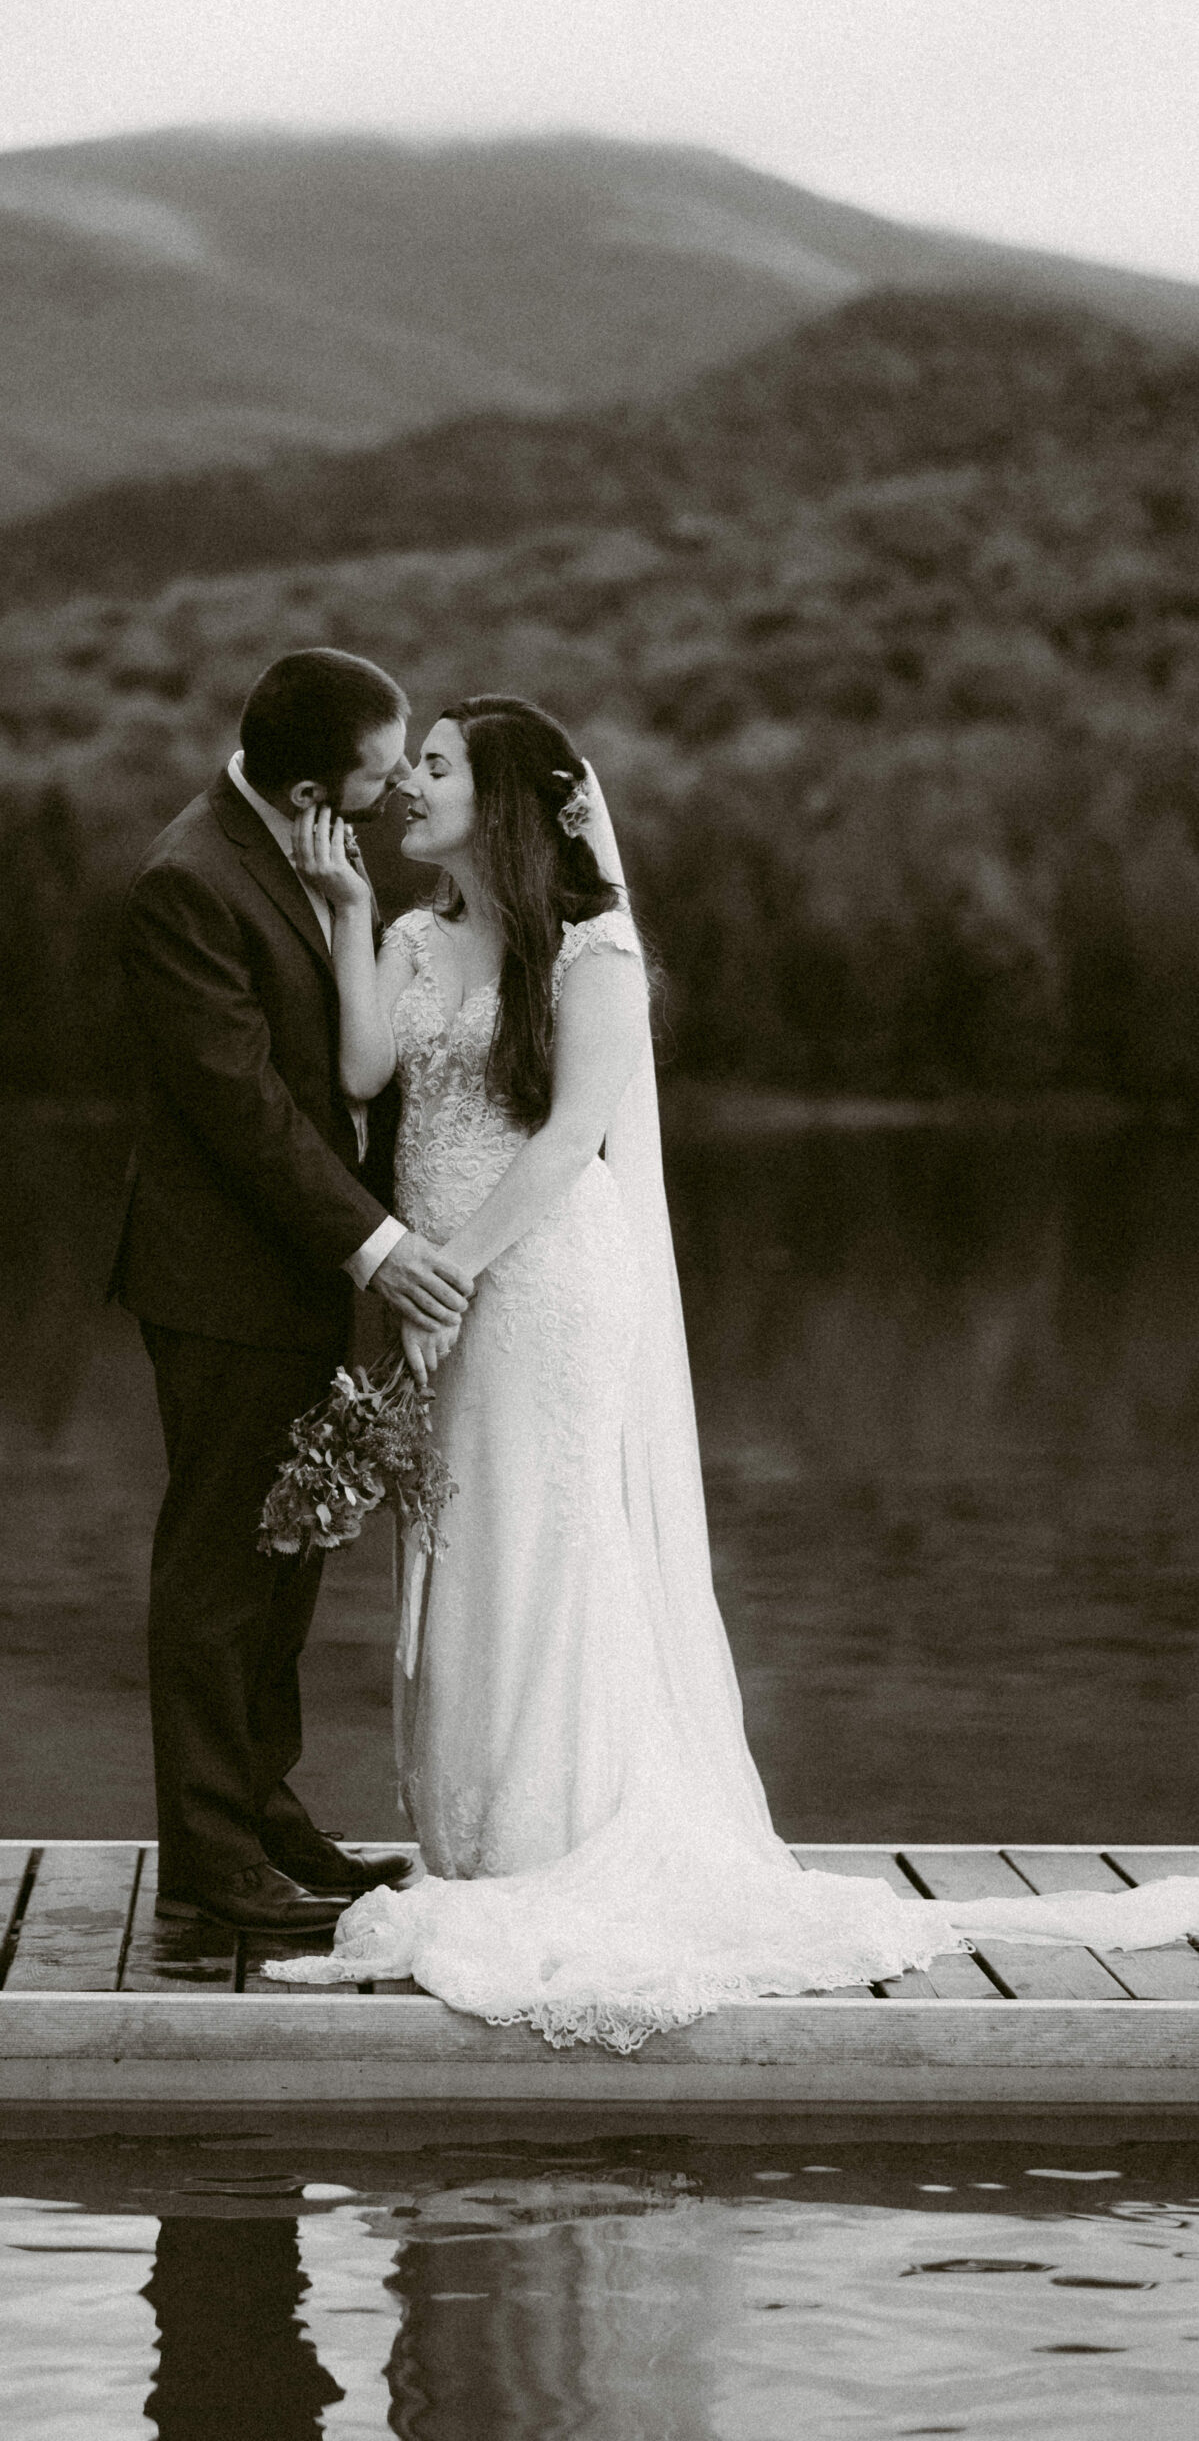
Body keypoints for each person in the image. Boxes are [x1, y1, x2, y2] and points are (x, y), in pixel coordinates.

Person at [269, 692, 1199, 2043]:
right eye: (410, 766)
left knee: (549, 1537)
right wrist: (348, 911)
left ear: (509, 797)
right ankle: (474, 1848)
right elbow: (361, 1074)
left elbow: (569, 1138)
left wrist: (447, 1272)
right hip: (441, 1286)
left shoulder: (590, 952)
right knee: (458, 1545)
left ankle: (560, 1842)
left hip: (539, 1285)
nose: (408, 784)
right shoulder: (415, 936)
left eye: (436, 765)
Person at [110, 648, 474, 1936]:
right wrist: (376, 1245)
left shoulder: (304, 860)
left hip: (302, 1282)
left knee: (284, 1567)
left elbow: (344, 1066)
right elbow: (241, 1112)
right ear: (317, 782)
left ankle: (265, 1815)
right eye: (380, 773)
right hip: (222, 1285)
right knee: (216, 1572)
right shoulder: (186, 882)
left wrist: (343, 911)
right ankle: (210, 1860)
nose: (391, 796)